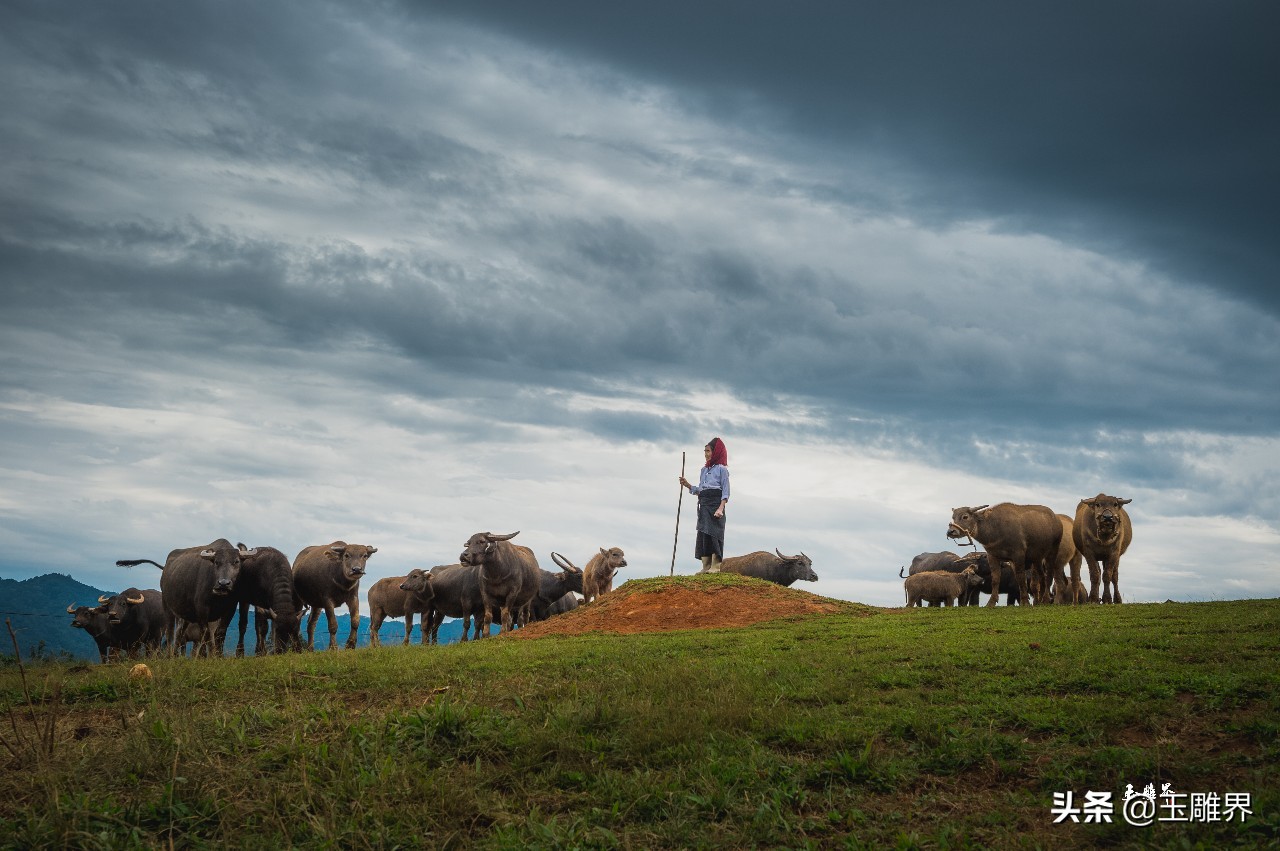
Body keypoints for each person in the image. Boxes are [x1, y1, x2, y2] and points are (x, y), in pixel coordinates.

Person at [679, 437, 730, 573]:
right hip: (704, 504)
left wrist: (721, 508)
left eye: (708, 451)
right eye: (705, 451)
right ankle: (705, 566)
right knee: (703, 534)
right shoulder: (703, 470)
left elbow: (725, 492)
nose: (706, 454)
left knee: (715, 534)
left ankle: (715, 566)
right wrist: (687, 485)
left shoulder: (722, 470)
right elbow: (701, 490)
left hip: (715, 505)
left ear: (716, 452)